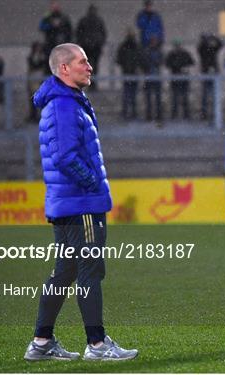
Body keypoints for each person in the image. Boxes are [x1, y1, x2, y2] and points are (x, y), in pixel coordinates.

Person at [24, 43, 138, 361]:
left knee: (66, 272)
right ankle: (97, 345)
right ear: (64, 69)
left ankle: (42, 342)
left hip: (69, 202)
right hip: (81, 203)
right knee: (90, 269)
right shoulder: (64, 105)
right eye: (82, 62)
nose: (89, 67)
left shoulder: (67, 102)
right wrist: (92, 185)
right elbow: (64, 156)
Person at [76, 4, 107, 90]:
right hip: (94, 46)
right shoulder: (98, 20)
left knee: (88, 66)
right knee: (94, 66)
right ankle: (93, 84)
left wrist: (83, 42)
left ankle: (89, 83)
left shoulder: (84, 20)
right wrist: (100, 43)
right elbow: (103, 33)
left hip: (88, 47)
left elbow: (79, 33)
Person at [116, 29, 144, 120]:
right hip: (129, 72)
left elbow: (119, 59)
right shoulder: (134, 46)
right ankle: (129, 113)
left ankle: (130, 113)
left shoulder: (126, 47)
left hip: (130, 72)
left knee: (130, 94)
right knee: (129, 94)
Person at [39, 1, 73, 72]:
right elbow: (41, 27)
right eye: (54, 5)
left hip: (61, 45)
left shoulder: (64, 18)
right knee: (49, 66)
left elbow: (69, 31)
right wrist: (51, 25)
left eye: (56, 5)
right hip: (49, 45)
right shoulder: (47, 17)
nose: (55, 7)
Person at [165, 40, 194, 120]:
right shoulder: (171, 54)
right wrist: (176, 67)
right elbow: (167, 64)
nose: (177, 47)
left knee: (185, 98)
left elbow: (191, 62)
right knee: (175, 98)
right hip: (175, 80)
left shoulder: (185, 54)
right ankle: (174, 115)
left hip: (184, 79)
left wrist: (185, 68)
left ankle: (186, 115)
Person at [197, 33, 223, 121]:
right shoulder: (202, 50)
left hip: (214, 74)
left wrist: (214, 36)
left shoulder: (213, 49)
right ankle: (204, 114)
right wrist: (205, 40)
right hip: (205, 73)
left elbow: (220, 44)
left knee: (214, 95)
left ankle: (214, 114)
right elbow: (200, 48)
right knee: (205, 95)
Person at [142, 36, 163, 123]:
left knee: (157, 98)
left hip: (156, 77)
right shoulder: (147, 52)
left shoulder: (158, 52)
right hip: (149, 78)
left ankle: (158, 115)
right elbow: (144, 63)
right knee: (149, 98)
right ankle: (149, 115)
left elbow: (161, 61)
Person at [26, 41, 48, 122]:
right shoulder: (31, 57)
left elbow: (42, 65)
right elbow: (33, 65)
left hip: (40, 79)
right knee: (32, 98)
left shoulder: (43, 56)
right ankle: (33, 115)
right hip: (33, 79)